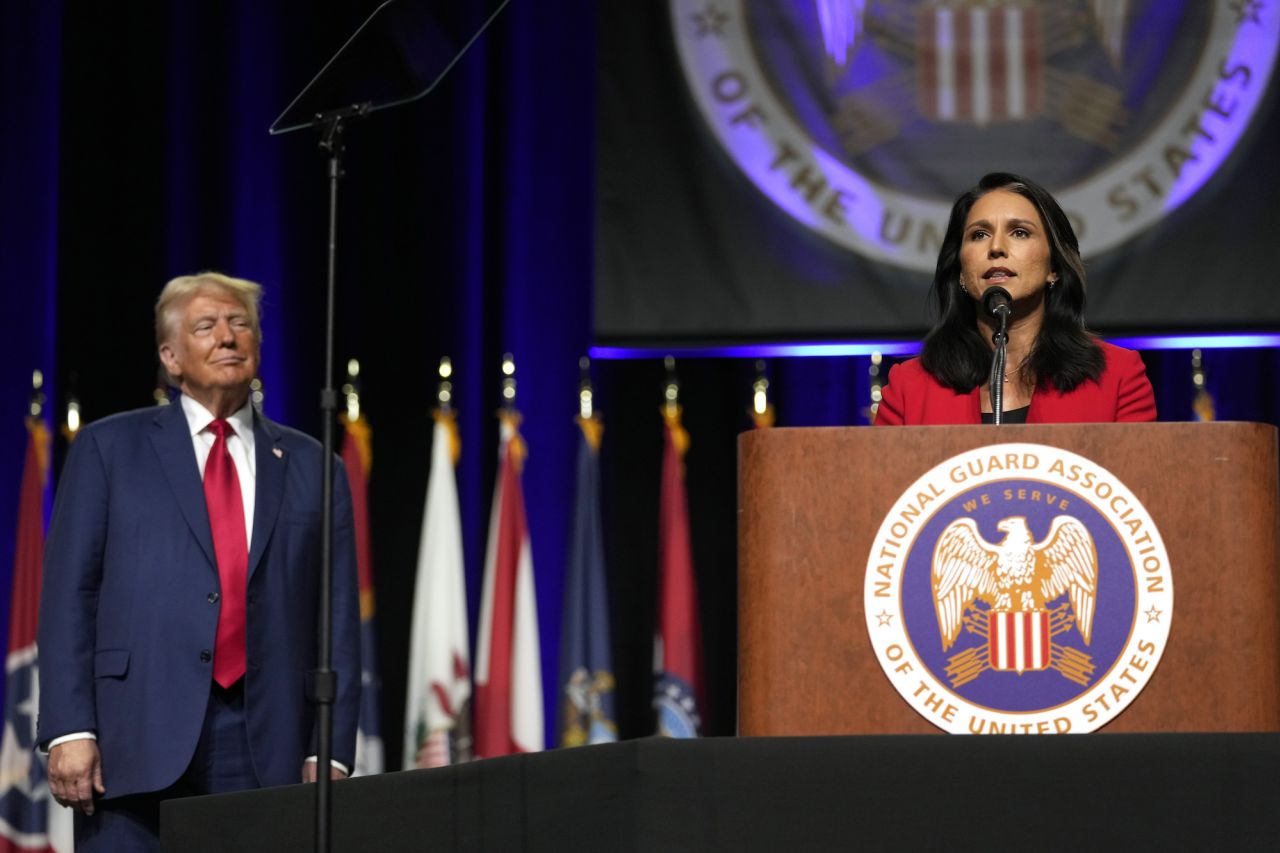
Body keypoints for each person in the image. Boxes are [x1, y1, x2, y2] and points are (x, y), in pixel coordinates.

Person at [36, 272, 361, 851]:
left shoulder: (315, 465)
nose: (228, 338)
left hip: (267, 742)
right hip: (131, 737)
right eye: (206, 326)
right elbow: (68, 597)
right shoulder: (109, 449)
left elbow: (335, 616)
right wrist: (69, 727)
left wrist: (329, 747)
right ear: (171, 356)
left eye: (241, 325)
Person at [874, 172, 1156, 425]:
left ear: (1054, 269)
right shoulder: (909, 387)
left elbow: (1135, 481)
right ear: (960, 271)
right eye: (979, 234)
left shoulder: (1118, 377)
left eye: (1020, 232)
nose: (996, 247)